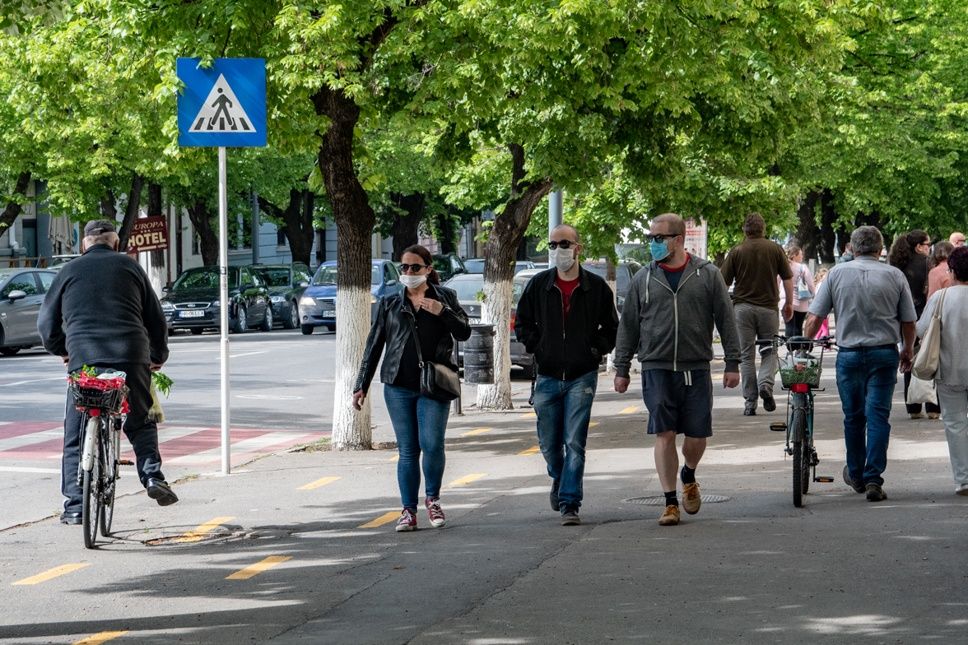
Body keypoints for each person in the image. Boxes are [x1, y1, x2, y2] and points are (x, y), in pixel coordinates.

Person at [37, 219, 177, 525]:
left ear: (84, 245)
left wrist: (63, 349)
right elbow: (156, 320)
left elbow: (45, 324)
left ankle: (75, 506)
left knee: (74, 433)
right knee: (140, 420)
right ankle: (153, 477)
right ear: (116, 244)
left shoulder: (67, 271)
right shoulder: (131, 269)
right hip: (130, 356)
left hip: (84, 359)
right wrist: (157, 357)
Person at [613, 213, 741, 526]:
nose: (653, 244)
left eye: (660, 238)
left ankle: (689, 473)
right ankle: (670, 502)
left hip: (695, 367)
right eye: (650, 238)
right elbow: (628, 325)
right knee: (664, 433)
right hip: (656, 367)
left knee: (697, 437)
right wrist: (622, 366)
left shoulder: (707, 274)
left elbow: (726, 319)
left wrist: (733, 362)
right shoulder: (644, 277)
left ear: (679, 239)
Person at [352, 244, 470, 532]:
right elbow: (374, 345)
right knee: (407, 450)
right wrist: (361, 385)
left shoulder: (446, 297)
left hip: (434, 384)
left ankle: (433, 500)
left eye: (414, 267)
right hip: (398, 385)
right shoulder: (391, 303)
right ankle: (407, 510)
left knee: (431, 444)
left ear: (428, 269)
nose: (408, 272)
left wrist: (443, 312)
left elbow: (464, 331)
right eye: (403, 267)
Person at [803, 226, 916, 503]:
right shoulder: (894, 275)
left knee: (853, 417)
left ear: (852, 248)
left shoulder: (836, 275)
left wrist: (805, 341)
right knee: (878, 416)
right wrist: (907, 350)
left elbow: (815, 317)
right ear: (880, 249)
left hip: (849, 355)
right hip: (883, 354)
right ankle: (874, 478)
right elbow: (908, 322)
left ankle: (856, 474)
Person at [514, 224, 618, 526]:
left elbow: (611, 328)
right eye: (553, 244)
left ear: (578, 248)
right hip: (547, 374)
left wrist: (594, 350)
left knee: (574, 441)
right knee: (548, 443)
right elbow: (522, 322)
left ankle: (570, 502)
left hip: (581, 374)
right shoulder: (539, 285)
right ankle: (559, 479)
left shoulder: (596, 287)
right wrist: (538, 347)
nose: (559, 249)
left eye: (565, 243)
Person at [719, 213, 793, 416]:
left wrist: (723, 308)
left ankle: (750, 402)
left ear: (745, 230)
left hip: (742, 309)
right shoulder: (775, 249)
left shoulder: (737, 251)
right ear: (764, 228)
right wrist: (789, 303)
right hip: (768, 308)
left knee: (746, 354)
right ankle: (766, 385)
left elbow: (722, 284)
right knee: (770, 350)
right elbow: (787, 278)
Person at [917, 246, 968, 496]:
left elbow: (920, 329)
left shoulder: (942, 297)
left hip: (950, 371)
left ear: (952, 270)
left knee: (955, 424)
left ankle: (963, 479)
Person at [888, 229, 938, 419]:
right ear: (919, 246)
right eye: (927, 244)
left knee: (909, 357)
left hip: (904, 318)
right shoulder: (927, 264)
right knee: (931, 359)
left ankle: (913, 407)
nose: (929, 248)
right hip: (925, 314)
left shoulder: (897, 265)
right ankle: (933, 407)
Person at [784, 244, 815, 338]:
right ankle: (797, 349)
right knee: (798, 326)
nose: (802, 256)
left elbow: (777, 281)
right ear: (794, 255)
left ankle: (790, 349)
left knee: (789, 326)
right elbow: (810, 284)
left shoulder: (784, 267)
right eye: (800, 254)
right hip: (800, 301)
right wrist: (814, 294)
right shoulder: (803, 268)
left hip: (785, 300)